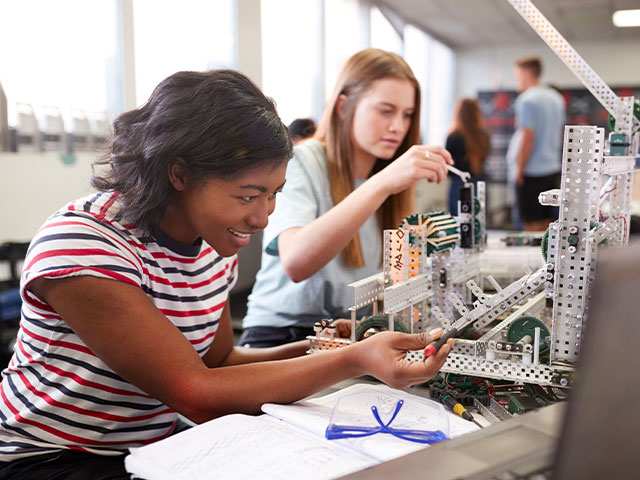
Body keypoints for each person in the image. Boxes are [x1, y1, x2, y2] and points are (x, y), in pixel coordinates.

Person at [0, 69, 453, 479]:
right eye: (248, 196)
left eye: (274, 194)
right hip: (52, 458)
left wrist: (323, 347)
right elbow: (197, 392)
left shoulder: (212, 245)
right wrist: (352, 360)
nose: (262, 218)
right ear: (179, 173)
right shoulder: (86, 245)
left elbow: (219, 363)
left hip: (152, 448)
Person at [240, 48, 454, 348]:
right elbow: (296, 262)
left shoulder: (391, 182)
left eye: (407, 115)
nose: (398, 127)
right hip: (282, 337)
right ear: (343, 106)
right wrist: (382, 183)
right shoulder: (302, 161)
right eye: (385, 110)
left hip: (352, 336)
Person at [508, 56, 565, 231]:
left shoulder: (527, 100)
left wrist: (519, 169)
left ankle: (535, 258)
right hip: (552, 169)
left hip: (531, 172)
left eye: (517, 75)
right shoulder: (556, 98)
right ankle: (546, 258)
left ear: (527, 73)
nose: (516, 80)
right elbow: (561, 133)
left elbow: (527, 137)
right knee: (547, 224)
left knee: (531, 226)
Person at [445, 98, 490, 215]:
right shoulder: (484, 136)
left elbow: (448, 167)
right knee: (479, 225)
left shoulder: (453, 137)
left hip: (459, 186)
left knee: (459, 224)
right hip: (480, 185)